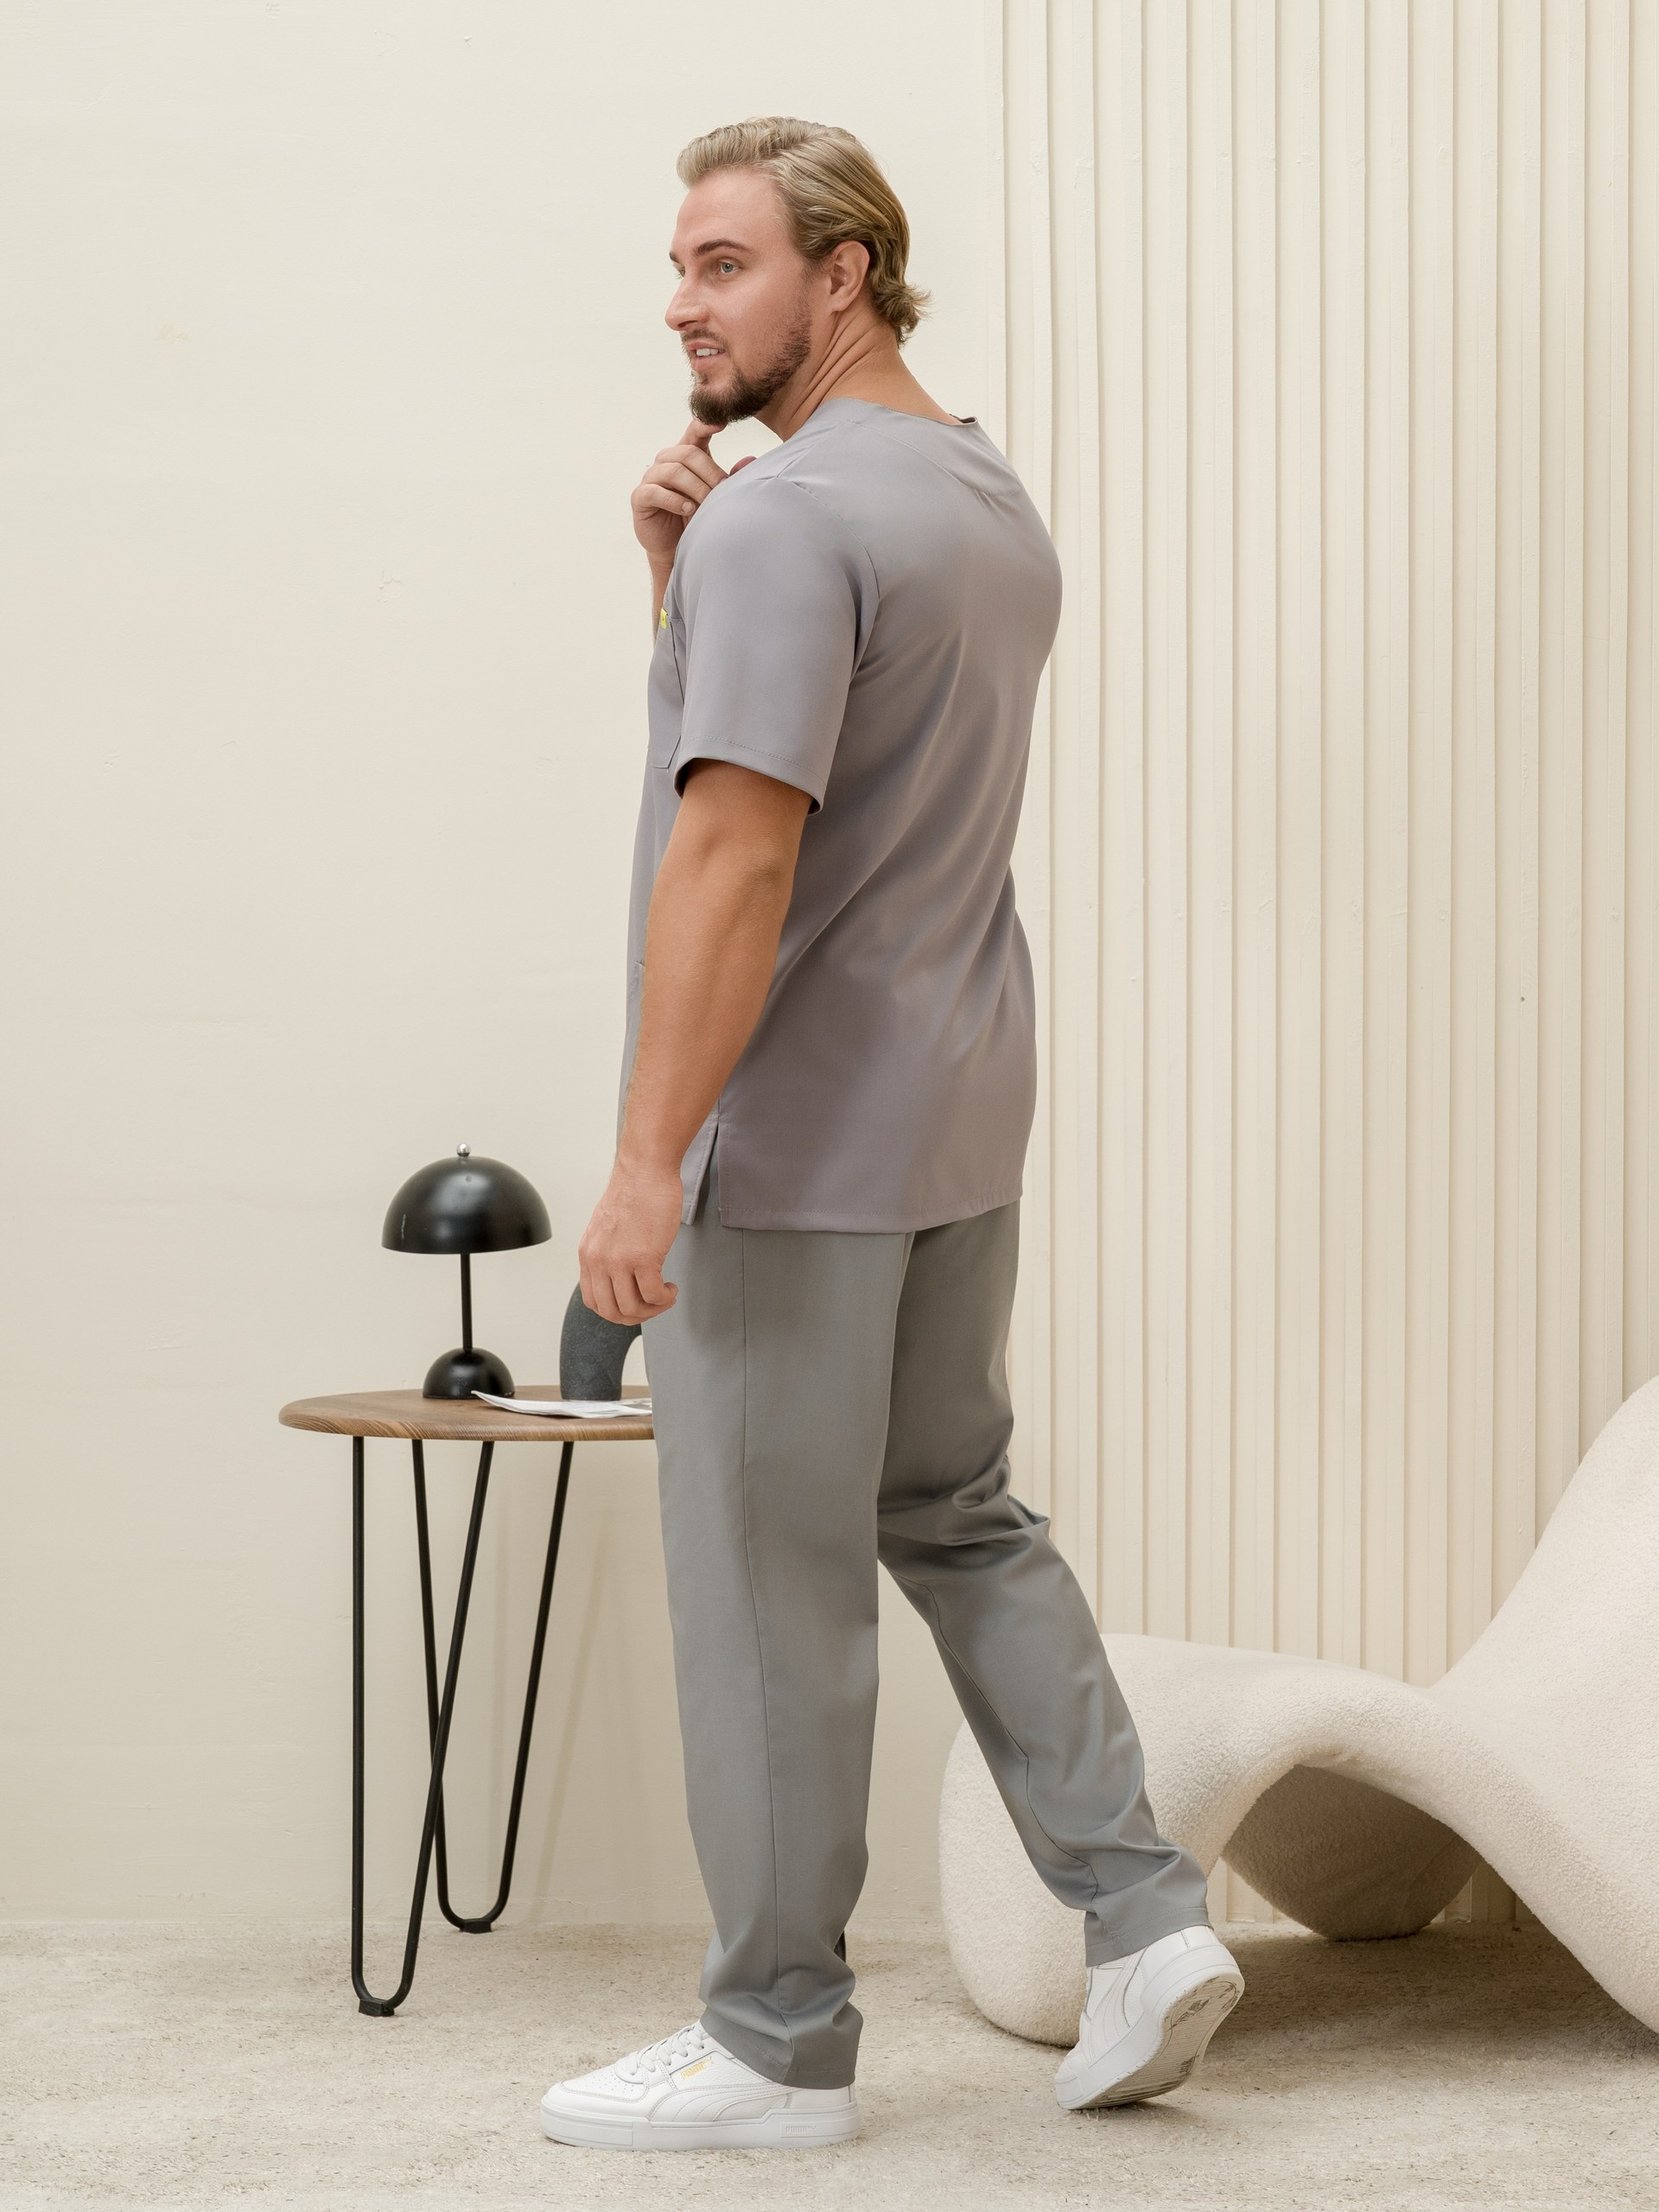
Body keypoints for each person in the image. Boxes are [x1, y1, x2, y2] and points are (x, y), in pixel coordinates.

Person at [540, 116, 1243, 2154]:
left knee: (768, 1582)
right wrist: (676, 581)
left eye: (726, 263)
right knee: (955, 1503)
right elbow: (859, 769)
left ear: (842, 272)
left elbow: (739, 855)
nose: (683, 303)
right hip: (958, 1110)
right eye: (679, 265)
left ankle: (773, 2042)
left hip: (796, 1142)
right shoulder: (980, 498)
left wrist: (650, 1158)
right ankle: (1143, 1918)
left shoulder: (783, 522)